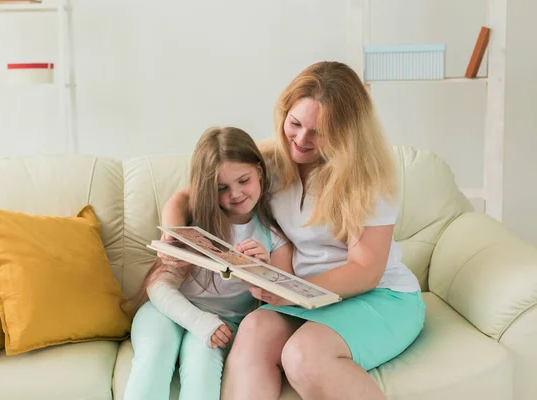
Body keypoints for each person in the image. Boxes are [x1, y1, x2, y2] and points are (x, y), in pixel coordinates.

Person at [161, 61, 426, 400]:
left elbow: (366, 271)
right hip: (302, 296)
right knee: (253, 331)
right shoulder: (269, 161)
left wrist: (292, 291)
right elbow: (188, 194)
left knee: (302, 355)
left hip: (378, 296)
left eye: (319, 131)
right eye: (295, 123)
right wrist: (172, 232)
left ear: (347, 132)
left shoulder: (368, 178)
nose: (301, 139)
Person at [122, 127, 292, 400]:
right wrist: (198, 322)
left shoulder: (273, 237)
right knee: (155, 355)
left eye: (243, 180)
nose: (235, 194)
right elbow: (159, 286)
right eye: (221, 188)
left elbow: (285, 298)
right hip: (165, 311)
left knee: (202, 368)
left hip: (223, 324)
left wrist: (264, 270)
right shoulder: (196, 221)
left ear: (259, 171)